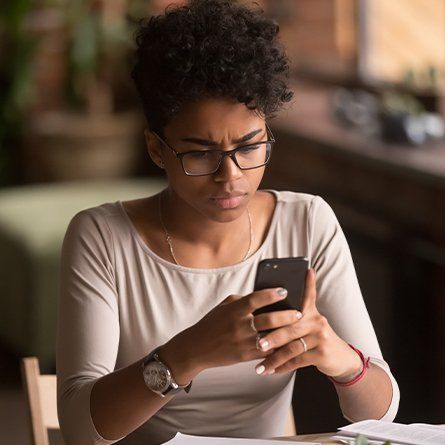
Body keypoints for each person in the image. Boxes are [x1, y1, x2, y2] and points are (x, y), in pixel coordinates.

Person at [56, 1, 399, 444]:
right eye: (201, 153)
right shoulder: (102, 238)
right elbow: (80, 432)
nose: (231, 175)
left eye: (250, 146)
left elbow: (383, 416)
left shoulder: (307, 222)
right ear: (157, 149)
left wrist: (340, 359)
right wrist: (187, 354)